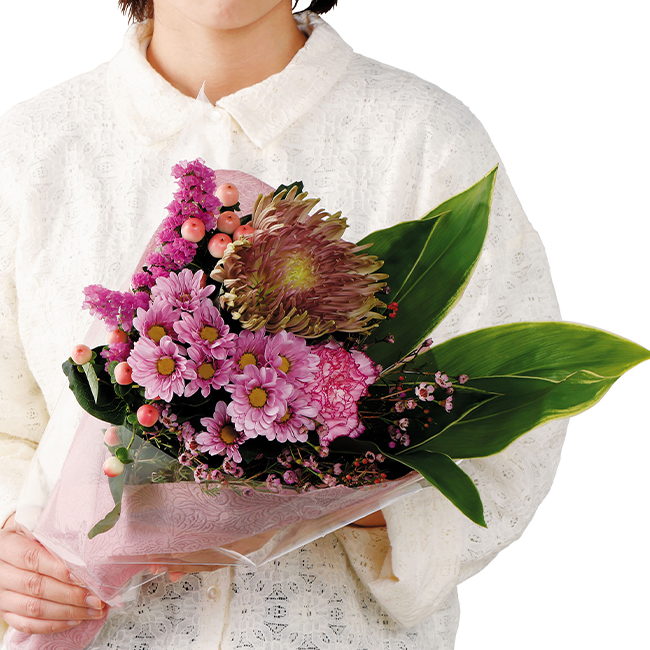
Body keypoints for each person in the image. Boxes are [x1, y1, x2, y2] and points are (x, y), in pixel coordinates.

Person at [0, 0, 567, 648]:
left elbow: (514, 434)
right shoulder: (31, 150)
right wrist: (13, 551)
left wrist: (318, 497)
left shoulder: (421, 138)